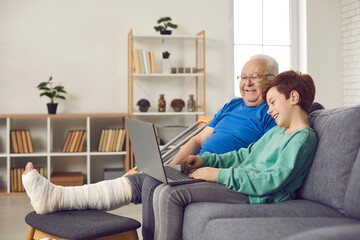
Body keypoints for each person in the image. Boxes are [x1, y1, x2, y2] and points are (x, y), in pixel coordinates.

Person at [22, 54, 278, 239]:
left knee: (151, 182)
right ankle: (57, 198)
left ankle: (56, 198)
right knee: (149, 176)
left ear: (273, 79)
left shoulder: (272, 112)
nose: (247, 83)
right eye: (243, 77)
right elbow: (198, 140)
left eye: (254, 77)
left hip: (216, 174)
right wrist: (173, 165)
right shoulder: (232, 105)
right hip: (193, 164)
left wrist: (207, 167)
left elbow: (259, 158)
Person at [152, 70, 318, 240]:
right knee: (162, 188)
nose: (269, 110)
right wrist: (205, 160)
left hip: (255, 193)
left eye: (273, 103)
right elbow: (243, 156)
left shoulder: (302, 138)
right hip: (241, 182)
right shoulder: (277, 132)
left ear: (294, 97)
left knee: (170, 194)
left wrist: (218, 175)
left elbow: (271, 180)